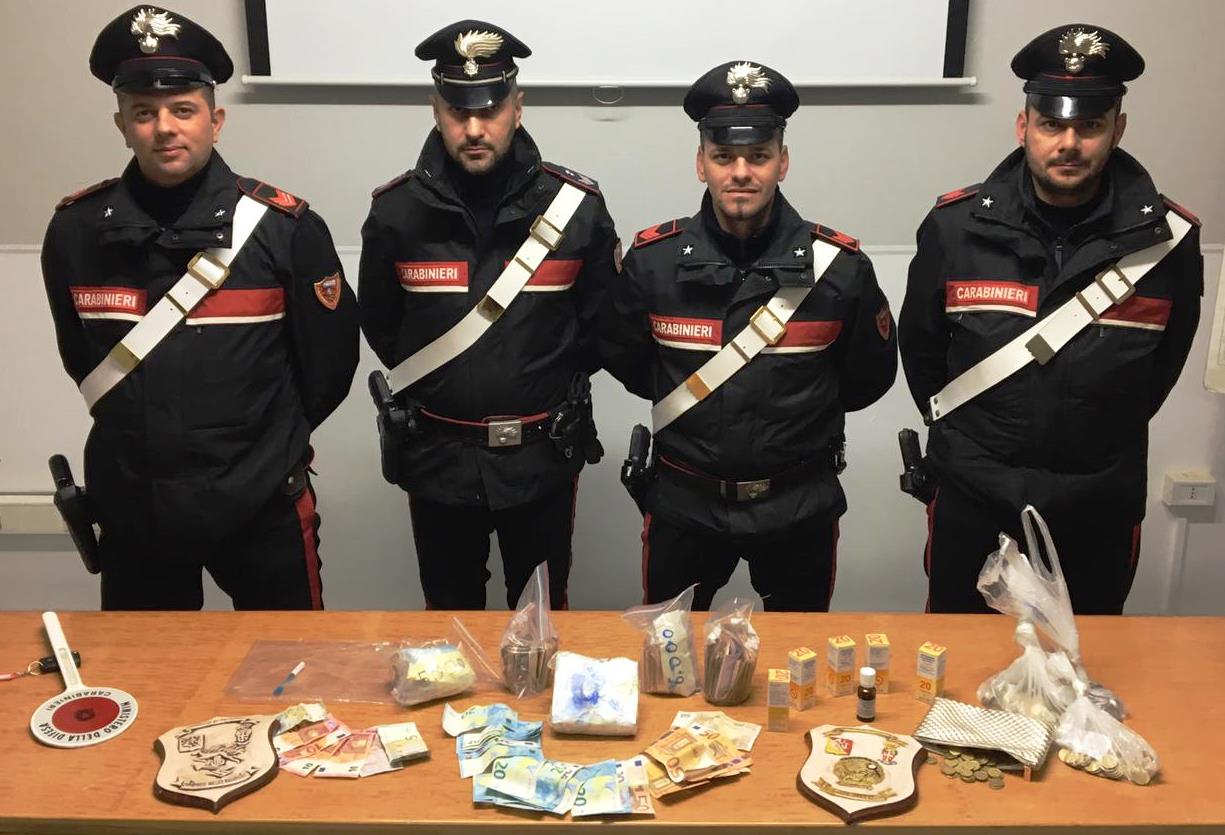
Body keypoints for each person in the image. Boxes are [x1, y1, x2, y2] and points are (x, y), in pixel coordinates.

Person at [41, 6, 359, 610]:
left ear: (215, 120)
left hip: (262, 504)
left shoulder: (284, 229)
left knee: (288, 659)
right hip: (135, 507)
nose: (164, 128)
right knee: (147, 664)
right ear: (121, 125)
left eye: (183, 110)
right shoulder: (76, 232)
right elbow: (80, 358)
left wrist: (256, 452)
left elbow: (329, 369)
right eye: (144, 112)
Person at [899, 24, 1203, 614]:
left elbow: (1160, 370)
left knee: (1084, 656)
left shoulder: (1169, 243)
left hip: (1098, 499)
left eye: (1089, 126)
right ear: (1024, 127)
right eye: (1051, 125)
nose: (1069, 143)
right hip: (974, 493)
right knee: (960, 653)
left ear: (1117, 128)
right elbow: (923, 356)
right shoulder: (954, 228)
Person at [600, 61, 897, 612]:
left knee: (799, 657)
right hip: (684, 503)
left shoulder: (840, 269)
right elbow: (628, 363)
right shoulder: (653, 263)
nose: (741, 173)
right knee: (671, 650)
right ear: (701, 163)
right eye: (724, 157)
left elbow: (866, 380)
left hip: (798, 505)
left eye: (758, 156)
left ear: (783, 162)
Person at [359, 20, 619, 610]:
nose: (474, 128)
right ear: (436, 110)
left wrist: (537, 379)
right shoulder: (396, 212)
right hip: (437, 459)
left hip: (541, 457)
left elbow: (602, 327)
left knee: (541, 621)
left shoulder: (575, 209)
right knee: (448, 625)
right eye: (457, 111)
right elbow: (383, 327)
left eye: (490, 110)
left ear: (517, 108)